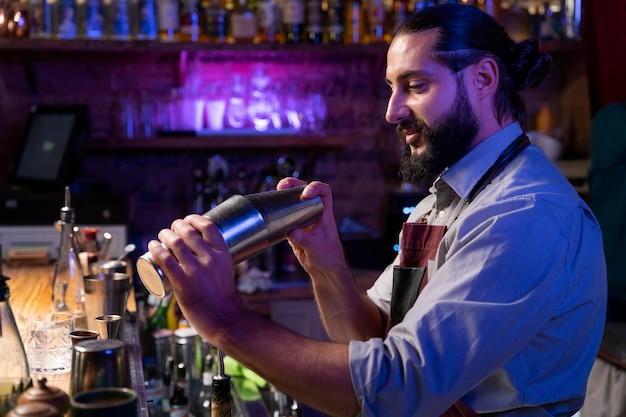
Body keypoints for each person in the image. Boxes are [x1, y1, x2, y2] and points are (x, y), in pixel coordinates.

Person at [147, 4, 607, 416]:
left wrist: (224, 319)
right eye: (392, 88)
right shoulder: (440, 201)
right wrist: (327, 267)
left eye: (415, 86)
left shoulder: (524, 214)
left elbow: (398, 389)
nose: (392, 111)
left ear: (483, 79)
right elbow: (370, 339)